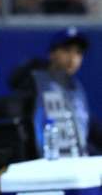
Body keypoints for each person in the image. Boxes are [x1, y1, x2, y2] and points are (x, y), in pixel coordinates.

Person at [9, 27, 102, 157]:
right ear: (52, 54)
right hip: (45, 160)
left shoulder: (76, 88)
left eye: (78, 53)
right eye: (67, 50)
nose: (73, 58)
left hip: (75, 160)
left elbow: (86, 127)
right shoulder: (34, 83)